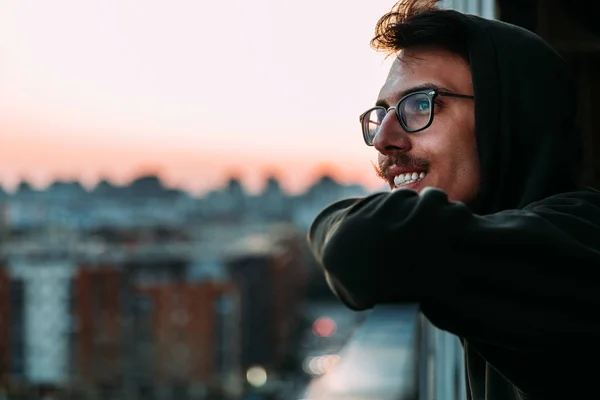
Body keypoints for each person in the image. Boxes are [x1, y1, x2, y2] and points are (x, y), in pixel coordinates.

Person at [307, 0, 600, 399]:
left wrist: (338, 222)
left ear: (506, 121)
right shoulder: (490, 239)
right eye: (381, 113)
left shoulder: (582, 239)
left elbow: (361, 247)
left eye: (420, 104)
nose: (382, 139)